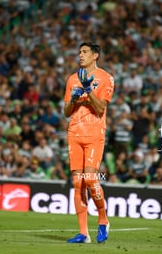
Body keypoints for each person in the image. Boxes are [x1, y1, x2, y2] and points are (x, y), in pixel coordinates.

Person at [64, 42, 114, 244]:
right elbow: (66, 111)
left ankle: (103, 220)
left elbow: (100, 107)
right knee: (78, 183)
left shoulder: (105, 78)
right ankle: (84, 233)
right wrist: (74, 100)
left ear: (95, 55)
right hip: (74, 133)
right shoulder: (71, 79)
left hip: (94, 133)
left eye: (84, 52)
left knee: (91, 179)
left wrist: (87, 89)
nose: (80, 55)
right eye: (79, 52)